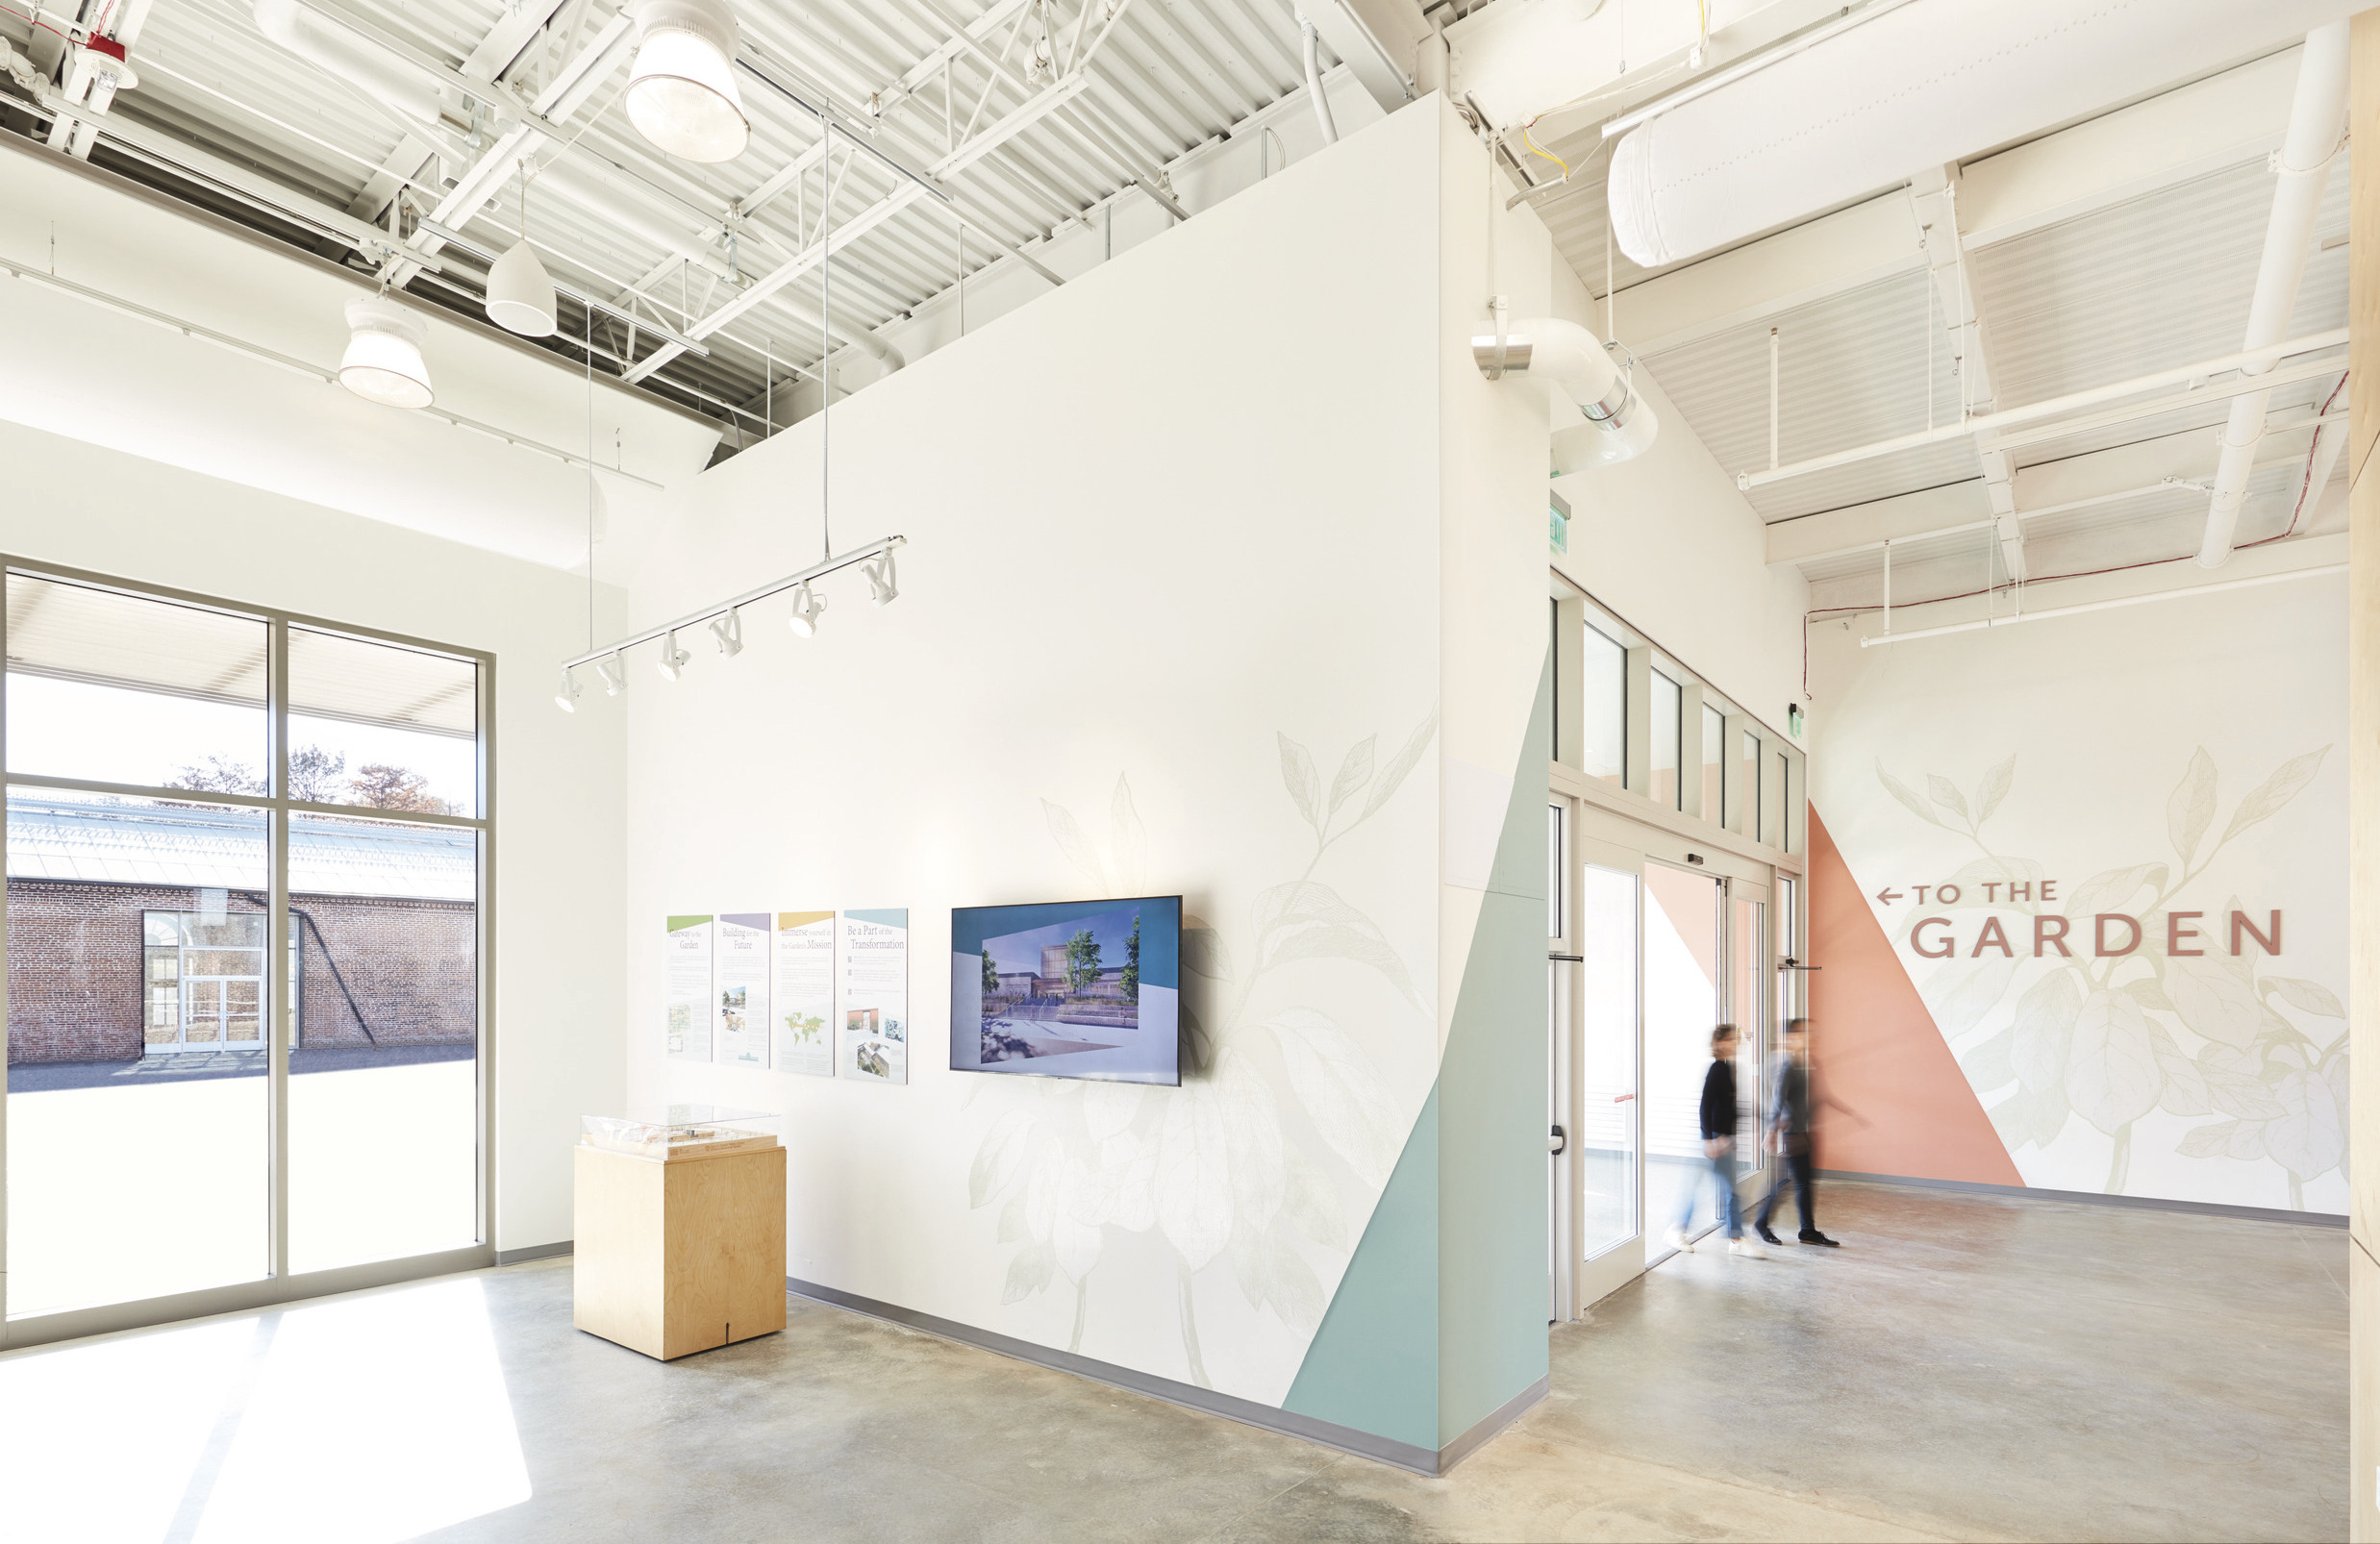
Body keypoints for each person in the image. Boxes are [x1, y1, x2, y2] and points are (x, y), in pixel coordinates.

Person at [1665, 1024, 1761, 1258]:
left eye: (1734, 1039)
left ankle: (1732, 1238)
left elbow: (1727, 1108)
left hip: (1723, 1141)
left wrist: (1754, 1116)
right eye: (1728, 1039)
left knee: (1727, 1191)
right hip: (1714, 1142)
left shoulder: (1730, 1068)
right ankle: (1679, 1230)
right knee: (1709, 1189)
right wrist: (1709, 1140)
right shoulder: (1717, 1069)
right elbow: (1705, 1105)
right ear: (1718, 1043)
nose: (1732, 1043)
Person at [1756, 1018, 1840, 1248]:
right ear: (1790, 1037)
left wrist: (1842, 1109)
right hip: (1794, 1133)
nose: (1809, 1036)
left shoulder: (1805, 1062)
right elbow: (1777, 1098)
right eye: (1804, 1033)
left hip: (1805, 1131)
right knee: (1798, 1183)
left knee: (1801, 1182)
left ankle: (1804, 1229)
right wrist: (1771, 1130)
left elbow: (1815, 1096)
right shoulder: (1787, 1065)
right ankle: (1771, 1224)